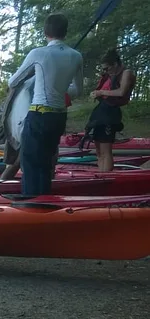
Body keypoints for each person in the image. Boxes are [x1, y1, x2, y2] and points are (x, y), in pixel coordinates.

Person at [7, 13, 83, 195]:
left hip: (39, 114)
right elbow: (77, 91)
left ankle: (33, 208)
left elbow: (13, 81)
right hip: (59, 118)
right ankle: (45, 204)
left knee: (31, 164)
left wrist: (35, 79)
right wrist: (59, 89)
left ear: (45, 31)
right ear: (65, 32)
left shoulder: (38, 53)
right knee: (46, 162)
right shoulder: (76, 56)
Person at [87, 48, 136, 172]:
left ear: (115, 64)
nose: (106, 71)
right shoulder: (110, 75)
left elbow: (121, 92)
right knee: (98, 150)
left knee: (105, 149)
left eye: (107, 68)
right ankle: (101, 175)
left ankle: (106, 178)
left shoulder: (126, 73)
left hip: (110, 113)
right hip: (102, 111)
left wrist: (101, 92)